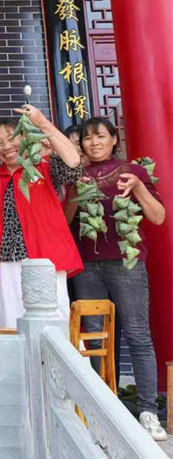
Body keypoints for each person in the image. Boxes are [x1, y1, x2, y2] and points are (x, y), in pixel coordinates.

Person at [66, 117, 167, 441]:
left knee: (138, 335)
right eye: (87, 138)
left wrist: (137, 187)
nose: (94, 143)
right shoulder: (75, 174)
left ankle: (148, 411)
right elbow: (65, 222)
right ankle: (101, 407)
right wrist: (74, 191)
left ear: (114, 139)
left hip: (127, 263)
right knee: (94, 338)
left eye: (100, 136)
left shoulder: (131, 171)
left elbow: (158, 216)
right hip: (87, 265)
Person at [0, 106, 83, 329]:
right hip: (3, 259)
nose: (7, 146)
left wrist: (42, 122)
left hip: (45, 256)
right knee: (10, 320)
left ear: (25, 137)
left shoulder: (44, 168)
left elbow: (73, 162)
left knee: (55, 319)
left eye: (12, 138)